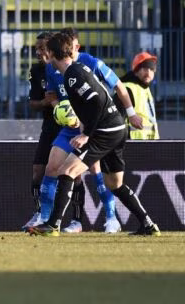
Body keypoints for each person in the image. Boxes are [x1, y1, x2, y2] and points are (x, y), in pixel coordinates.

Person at [29, 33, 160, 236]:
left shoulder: (73, 75)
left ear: (53, 54)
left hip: (104, 131)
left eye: (47, 53)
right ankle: (148, 225)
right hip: (116, 128)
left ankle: (53, 225)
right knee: (115, 184)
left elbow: (98, 102)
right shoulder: (75, 71)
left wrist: (86, 134)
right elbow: (91, 104)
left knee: (67, 171)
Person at [22, 32, 61, 230]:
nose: (38, 52)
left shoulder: (64, 68)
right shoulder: (36, 71)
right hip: (49, 126)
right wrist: (46, 102)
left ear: (51, 49)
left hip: (70, 127)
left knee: (74, 175)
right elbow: (33, 103)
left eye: (42, 48)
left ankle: (77, 220)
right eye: (36, 49)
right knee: (38, 171)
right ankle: (39, 214)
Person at [119, 52, 159, 139]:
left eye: (151, 69)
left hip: (147, 142)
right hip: (132, 142)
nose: (148, 72)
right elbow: (117, 119)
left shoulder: (145, 89)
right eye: (145, 68)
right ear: (136, 71)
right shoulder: (127, 88)